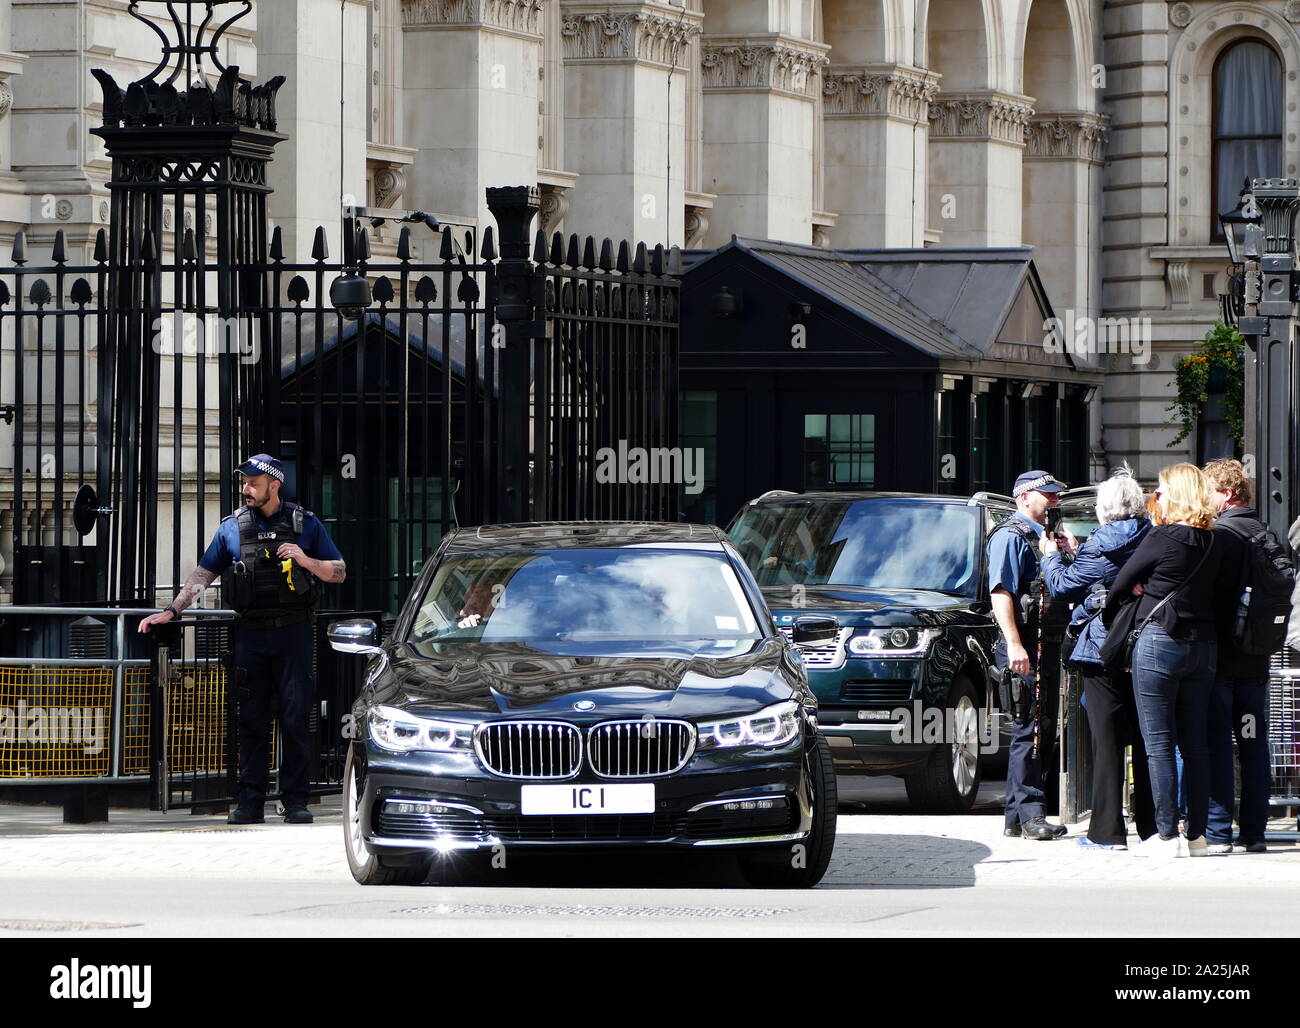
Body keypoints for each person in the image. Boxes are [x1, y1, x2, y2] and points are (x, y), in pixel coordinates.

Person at [139, 454, 345, 825]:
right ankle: (249, 801)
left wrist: (306, 561)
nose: (246, 488)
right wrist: (172, 611)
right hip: (250, 634)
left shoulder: (305, 524)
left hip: (294, 631)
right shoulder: (232, 528)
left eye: (253, 482)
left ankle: (295, 800)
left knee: (296, 718)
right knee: (251, 720)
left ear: (274, 485)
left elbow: (339, 572)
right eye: (244, 482)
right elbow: (203, 575)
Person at [1104, 463, 1232, 857]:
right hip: (1204, 648)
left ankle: (1165, 836)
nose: (1153, 496)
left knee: (1158, 744)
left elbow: (1122, 584)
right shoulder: (1217, 541)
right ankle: (1197, 835)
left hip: (1160, 642)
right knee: (1196, 744)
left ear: (1174, 494)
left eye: (1159, 489)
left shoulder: (1162, 537)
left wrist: (1138, 597)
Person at [1040, 464, 1155, 850]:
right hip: (1143, 646)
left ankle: (1107, 832)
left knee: (1106, 743)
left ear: (1104, 510)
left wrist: (1051, 556)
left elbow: (1061, 586)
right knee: (1145, 739)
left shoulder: (1101, 542)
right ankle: (1153, 827)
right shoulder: (1152, 536)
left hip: (1102, 649)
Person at [1203, 457, 1290, 853]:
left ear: (1225, 493)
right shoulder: (1267, 534)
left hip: (1221, 659)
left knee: (1219, 744)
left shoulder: (1221, 535)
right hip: (1258, 659)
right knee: (1254, 744)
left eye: (1209, 491)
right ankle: (1254, 831)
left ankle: (1219, 830)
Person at [987, 470, 1070, 840]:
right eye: (1047, 495)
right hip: (1025, 646)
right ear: (1024, 497)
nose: (1054, 501)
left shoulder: (1045, 538)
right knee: (1032, 728)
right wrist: (1015, 645)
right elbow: (1001, 593)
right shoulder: (1010, 536)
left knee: (1038, 725)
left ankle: (1014, 816)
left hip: (1045, 641)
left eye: (1055, 495)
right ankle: (1033, 814)